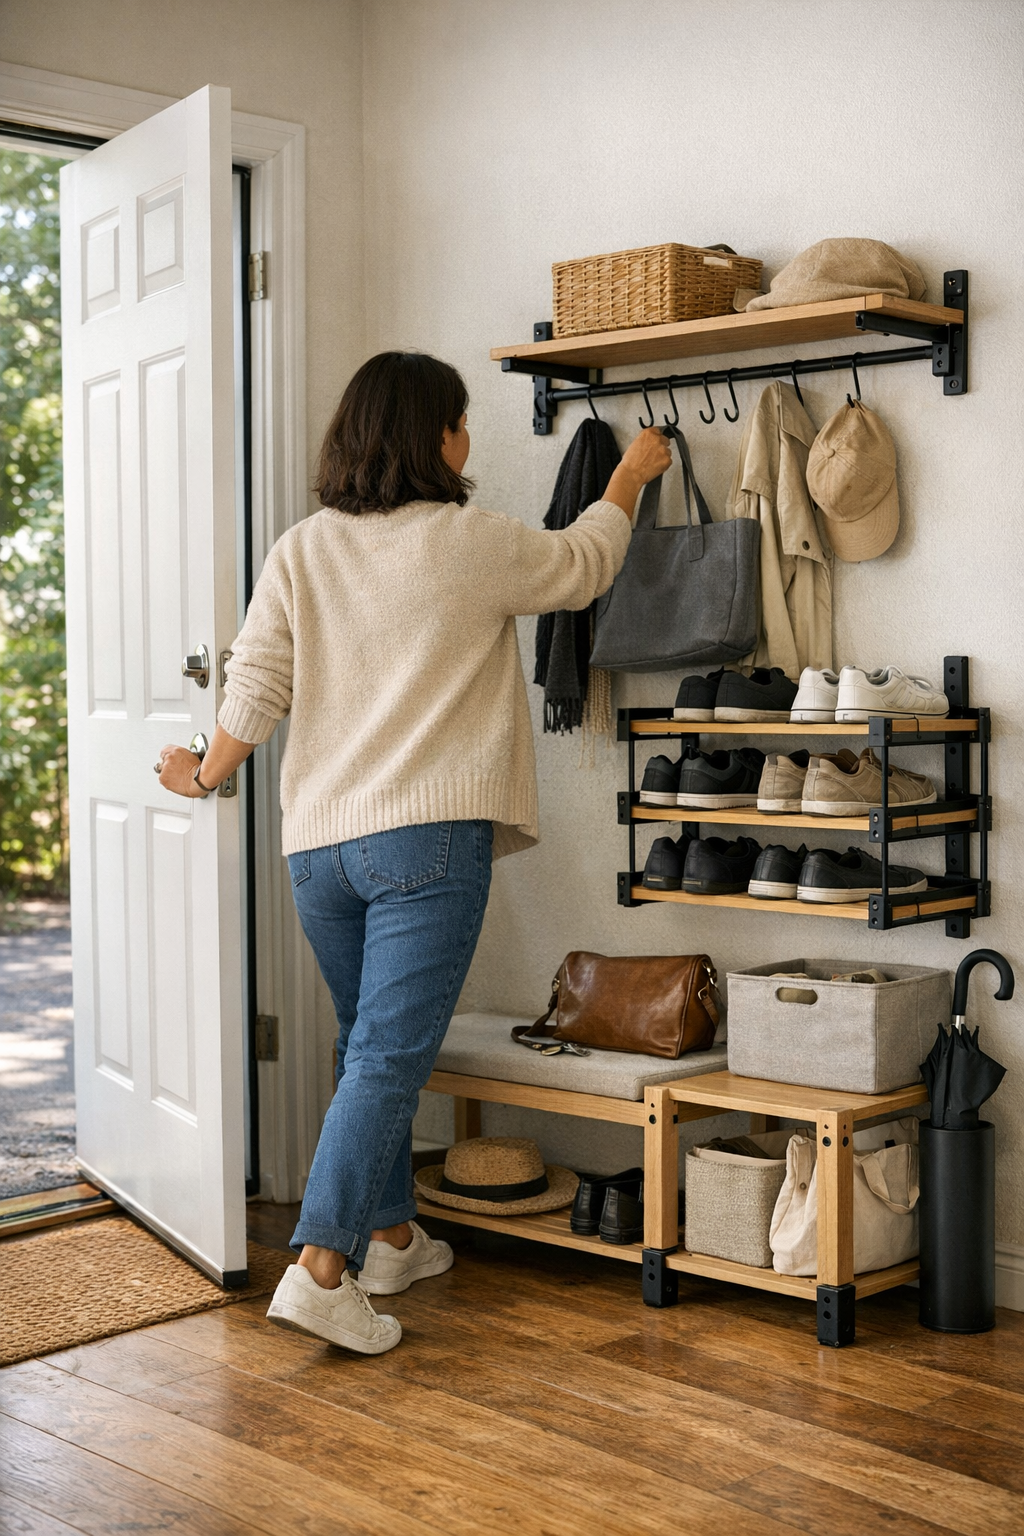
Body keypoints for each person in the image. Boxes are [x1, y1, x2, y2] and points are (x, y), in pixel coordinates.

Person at [157, 351, 670, 1354]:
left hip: (319, 852)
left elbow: (256, 680)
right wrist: (628, 478)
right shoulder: (464, 540)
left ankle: (391, 1236)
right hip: (423, 841)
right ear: (430, 437)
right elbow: (581, 567)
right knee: (387, 1060)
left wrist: (207, 773)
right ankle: (320, 1267)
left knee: (364, 1050)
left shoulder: (301, 548)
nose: (468, 438)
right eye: (459, 422)